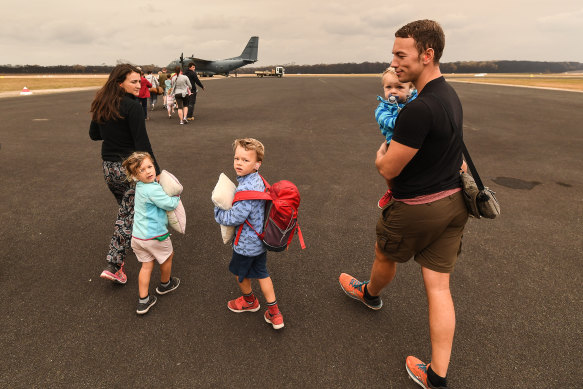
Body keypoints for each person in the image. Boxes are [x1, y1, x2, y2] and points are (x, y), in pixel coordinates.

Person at [338, 20, 468, 389]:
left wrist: (380, 157)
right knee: (439, 288)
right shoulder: (450, 96)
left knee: (384, 255)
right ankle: (437, 376)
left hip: (415, 208)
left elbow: (388, 167)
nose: (393, 62)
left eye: (401, 54)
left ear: (427, 55)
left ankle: (369, 294)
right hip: (453, 204)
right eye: (393, 53)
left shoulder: (419, 109)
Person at [89, 63, 161, 284]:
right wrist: (155, 171)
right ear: (120, 83)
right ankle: (114, 265)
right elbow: (142, 142)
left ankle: (136, 241)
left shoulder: (102, 103)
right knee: (127, 215)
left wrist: (112, 132)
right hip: (128, 169)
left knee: (128, 207)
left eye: (140, 81)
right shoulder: (132, 107)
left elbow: (94, 134)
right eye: (134, 81)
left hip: (109, 168)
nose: (139, 85)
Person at [214, 138, 284, 330]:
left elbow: (234, 217)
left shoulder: (246, 188)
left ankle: (249, 301)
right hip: (260, 240)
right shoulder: (258, 179)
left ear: (257, 164)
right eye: (237, 158)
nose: (238, 163)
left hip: (245, 245)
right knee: (262, 274)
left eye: (245, 160)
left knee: (240, 274)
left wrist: (218, 212)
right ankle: (275, 313)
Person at [122, 152, 180, 315]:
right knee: (168, 256)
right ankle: (165, 284)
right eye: (142, 170)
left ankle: (143, 300)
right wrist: (176, 197)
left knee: (146, 265)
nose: (148, 171)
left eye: (150, 166)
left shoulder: (140, 186)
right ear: (135, 175)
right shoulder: (152, 189)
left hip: (138, 237)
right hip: (155, 235)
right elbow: (168, 204)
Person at [375, 67, 417, 208]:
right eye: (388, 87)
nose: (393, 91)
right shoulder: (382, 109)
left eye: (399, 87)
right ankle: (392, 190)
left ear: (410, 88)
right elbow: (389, 122)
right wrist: (406, 118)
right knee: (390, 171)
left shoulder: (416, 100)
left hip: (414, 142)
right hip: (393, 143)